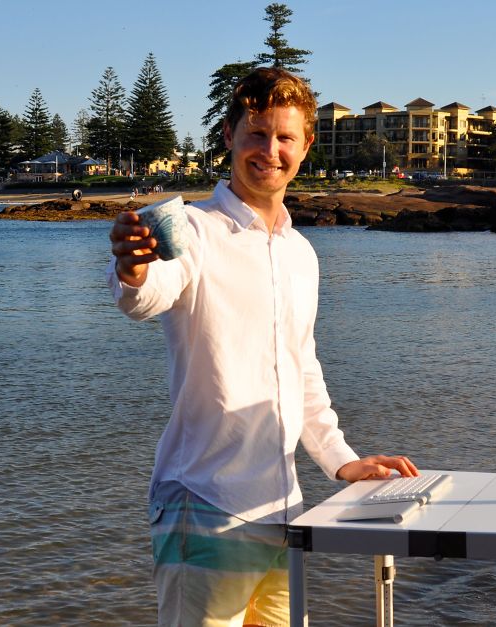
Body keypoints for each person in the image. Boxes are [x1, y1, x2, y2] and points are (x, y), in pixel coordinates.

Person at [107, 67, 419, 626]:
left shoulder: (301, 252)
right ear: (229, 136)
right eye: (256, 134)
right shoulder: (195, 231)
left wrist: (341, 461)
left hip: (282, 512)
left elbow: (302, 368)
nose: (269, 150)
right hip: (203, 504)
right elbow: (147, 297)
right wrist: (131, 268)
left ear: (305, 146)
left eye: (284, 137)